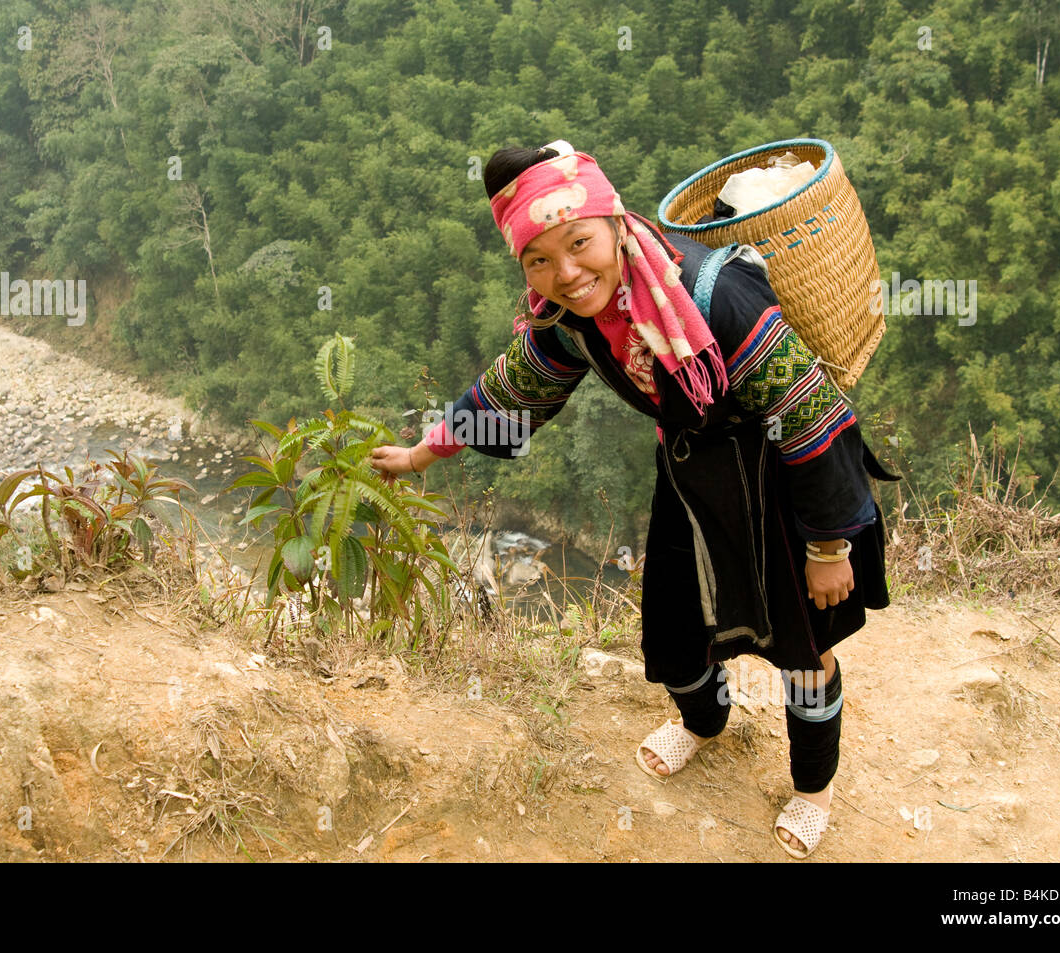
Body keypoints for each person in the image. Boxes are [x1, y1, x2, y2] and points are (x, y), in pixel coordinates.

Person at [369, 140, 897, 859]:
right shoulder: (576, 317)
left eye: (578, 243)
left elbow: (808, 415)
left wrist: (828, 545)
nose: (567, 272)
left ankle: (812, 788)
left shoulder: (715, 294)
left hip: (780, 483)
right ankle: (703, 724)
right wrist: (421, 453)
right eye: (540, 259)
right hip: (689, 478)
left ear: (614, 221)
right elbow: (514, 389)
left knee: (804, 647)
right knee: (675, 635)